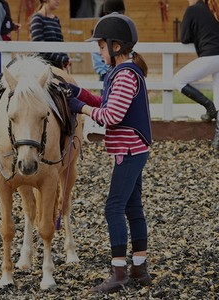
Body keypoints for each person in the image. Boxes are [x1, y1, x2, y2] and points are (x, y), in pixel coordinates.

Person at [66, 13, 152, 293]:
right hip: (134, 149)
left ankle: (119, 273)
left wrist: (80, 108)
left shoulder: (126, 74)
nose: (98, 51)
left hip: (129, 150)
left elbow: (111, 115)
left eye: (101, 46)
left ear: (116, 47)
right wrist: (78, 92)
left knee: (113, 207)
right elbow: (106, 100)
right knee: (132, 207)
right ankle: (139, 267)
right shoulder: (123, 72)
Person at [173, 0, 219, 151]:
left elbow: (184, 38)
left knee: (178, 80)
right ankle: (218, 142)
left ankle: (209, 108)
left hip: (211, 56)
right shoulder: (218, 9)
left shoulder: (192, 10)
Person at [29, 0, 70, 70]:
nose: (58, 1)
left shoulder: (56, 19)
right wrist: (62, 59)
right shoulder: (37, 19)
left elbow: (60, 42)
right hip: (43, 67)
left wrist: (66, 59)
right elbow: (40, 48)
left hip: (58, 66)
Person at [91, 0, 126, 81]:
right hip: (107, 73)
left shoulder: (125, 30)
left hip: (122, 70)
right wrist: (104, 72)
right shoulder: (102, 29)